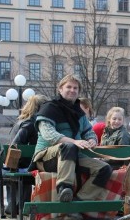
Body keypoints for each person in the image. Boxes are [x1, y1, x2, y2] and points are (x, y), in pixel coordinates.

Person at [32, 74, 112, 203]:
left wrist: (92, 140)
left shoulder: (79, 113)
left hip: (73, 157)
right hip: (46, 158)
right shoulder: (49, 108)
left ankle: (78, 202)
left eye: (75, 88)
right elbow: (49, 135)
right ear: (60, 89)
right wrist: (75, 141)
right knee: (69, 146)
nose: (72, 90)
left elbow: (89, 132)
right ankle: (64, 187)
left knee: (104, 169)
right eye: (68, 87)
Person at [4, 94, 47, 215]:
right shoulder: (30, 123)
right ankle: (21, 206)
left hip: (14, 164)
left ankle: (16, 205)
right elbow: (15, 145)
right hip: (22, 164)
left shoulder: (20, 121)